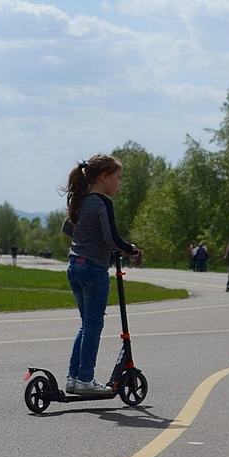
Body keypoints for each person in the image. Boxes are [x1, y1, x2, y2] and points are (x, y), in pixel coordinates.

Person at [61, 154, 139, 395]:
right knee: (93, 325)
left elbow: (67, 228)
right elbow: (111, 237)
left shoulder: (80, 200)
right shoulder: (102, 203)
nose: (120, 182)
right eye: (118, 177)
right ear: (104, 177)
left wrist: (86, 237)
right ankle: (85, 379)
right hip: (94, 269)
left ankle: (73, 378)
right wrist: (130, 249)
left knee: (86, 325)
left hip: (75, 266)